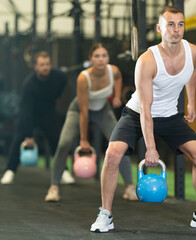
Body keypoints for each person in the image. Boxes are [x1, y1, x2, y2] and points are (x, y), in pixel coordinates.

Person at [90, 6, 196, 233]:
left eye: (180, 24)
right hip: (137, 114)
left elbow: (192, 72)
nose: (176, 30)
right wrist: (150, 149)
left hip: (170, 115)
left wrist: (190, 101)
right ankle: (106, 214)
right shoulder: (147, 61)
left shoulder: (193, 52)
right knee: (112, 155)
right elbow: (145, 107)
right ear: (159, 28)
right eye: (170, 25)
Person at [44, 43, 138, 202]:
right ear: (91, 59)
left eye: (104, 56)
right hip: (79, 110)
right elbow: (84, 111)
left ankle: (129, 187)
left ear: (108, 58)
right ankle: (54, 187)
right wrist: (83, 139)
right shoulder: (83, 78)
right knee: (63, 144)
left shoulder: (113, 70)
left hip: (103, 109)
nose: (101, 59)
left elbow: (118, 78)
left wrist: (116, 95)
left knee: (120, 145)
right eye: (97, 56)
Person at [0, 51, 74, 185]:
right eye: (42, 65)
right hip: (30, 113)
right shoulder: (29, 84)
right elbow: (27, 110)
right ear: (36, 67)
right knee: (18, 140)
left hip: (48, 112)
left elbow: (63, 83)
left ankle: (63, 171)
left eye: (47, 64)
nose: (45, 67)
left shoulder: (59, 76)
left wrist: (55, 98)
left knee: (56, 141)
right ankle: (10, 171)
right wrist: (29, 135)